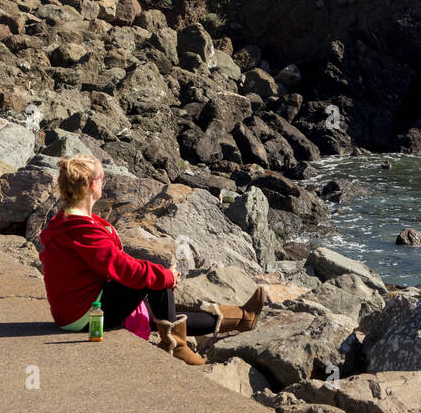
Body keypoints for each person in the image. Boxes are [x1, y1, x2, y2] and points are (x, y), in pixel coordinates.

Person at [39, 154, 267, 366]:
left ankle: (241, 318)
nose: (104, 182)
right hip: (84, 316)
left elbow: (114, 263)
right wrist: (166, 276)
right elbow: (121, 267)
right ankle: (175, 346)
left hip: (81, 306)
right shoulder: (80, 230)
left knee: (158, 314)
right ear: (91, 185)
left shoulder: (71, 220)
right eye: (102, 177)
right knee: (155, 278)